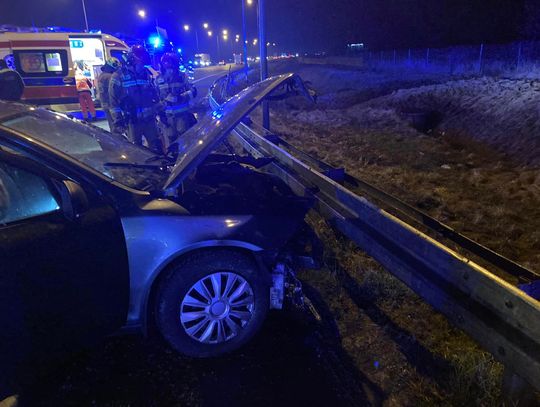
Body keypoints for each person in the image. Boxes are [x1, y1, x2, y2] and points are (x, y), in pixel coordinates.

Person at [109, 45, 163, 153]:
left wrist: (160, 112)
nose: (142, 66)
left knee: (156, 148)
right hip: (133, 121)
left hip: (149, 120)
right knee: (135, 151)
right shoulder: (118, 76)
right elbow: (113, 102)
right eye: (140, 63)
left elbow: (154, 95)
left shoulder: (146, 74)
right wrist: (118, 121)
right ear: (132, 59)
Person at [156, 53, 197, 150]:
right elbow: (156, 98)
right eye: (166, 64)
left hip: (182, 117)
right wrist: (160, 114)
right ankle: (174, 162)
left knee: (185, 142)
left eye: (171, 64)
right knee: (171, 143)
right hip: (167, 118)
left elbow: (194, 91)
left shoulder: (182, 76)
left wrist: (181, 97)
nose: (169, 69)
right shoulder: (158, 80)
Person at [97, 57, 121, 134]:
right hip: (111, 104)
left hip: (105, 103)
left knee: (112, 124)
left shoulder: (102, 75)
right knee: (116, 124)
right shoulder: (109, 77)